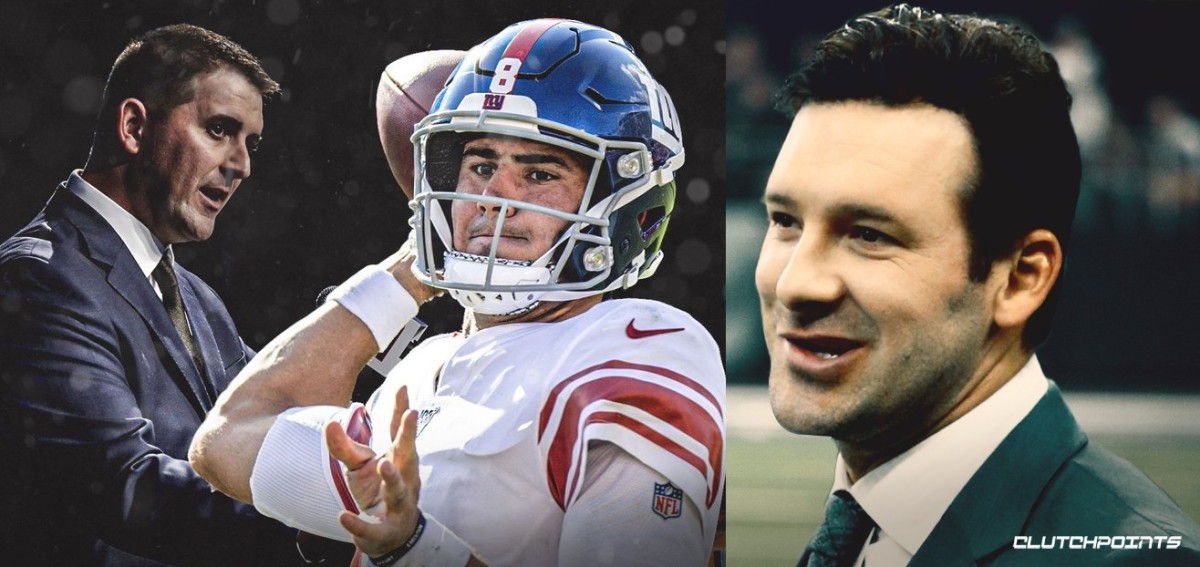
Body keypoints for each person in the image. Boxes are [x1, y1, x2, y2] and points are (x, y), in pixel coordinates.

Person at [189, 18, 725, 567]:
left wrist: (414, 548)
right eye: (480, 165)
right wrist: (410, 269)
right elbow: (229, 438)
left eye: (539, 174)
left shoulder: (638, 349)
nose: (494, 197)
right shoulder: (423, 371)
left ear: (624, 203)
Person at [755, 4, 1200, 566]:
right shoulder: (865, 527)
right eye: (786, 221)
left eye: (869, 234)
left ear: (1021, 278)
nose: (797, 284)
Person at [0, 24, 303, 565]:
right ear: (135, 126)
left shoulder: (197, 298)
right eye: (219, 130)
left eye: (249, 143)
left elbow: (279, 416)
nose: (242, 165)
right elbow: (124, 486)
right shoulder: (37, 278)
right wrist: (324, 524)